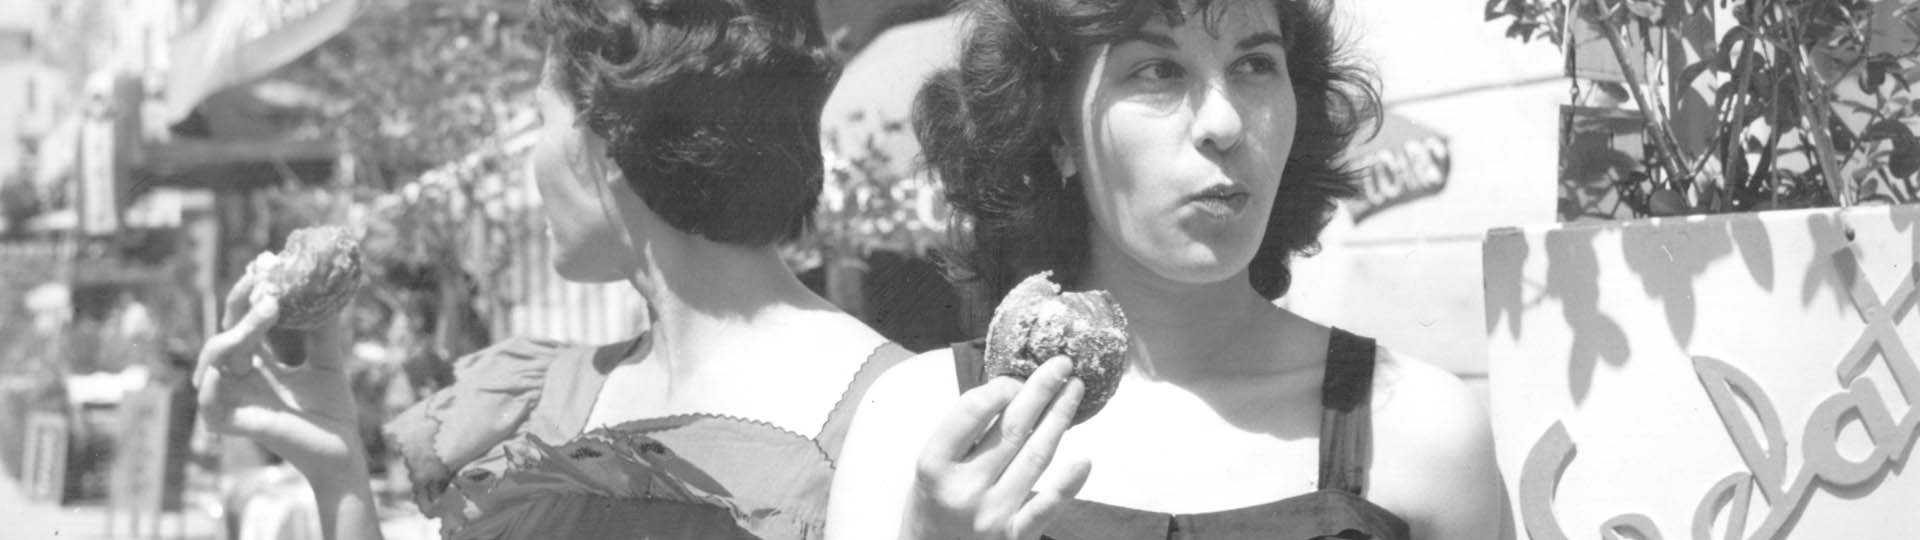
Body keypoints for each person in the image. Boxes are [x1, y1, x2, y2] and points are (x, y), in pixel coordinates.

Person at [193, 0, 910, 538]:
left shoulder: (896, 420)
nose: (530, 160)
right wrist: (337, 471)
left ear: (610, 138)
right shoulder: (540, 394)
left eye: (540, 118)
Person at [825, 0, 1502, 539]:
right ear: (1057, 132)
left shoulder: (1422, 431)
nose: (1223, 122)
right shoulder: (916, 430)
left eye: (1256, 64)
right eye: (1157, 71)